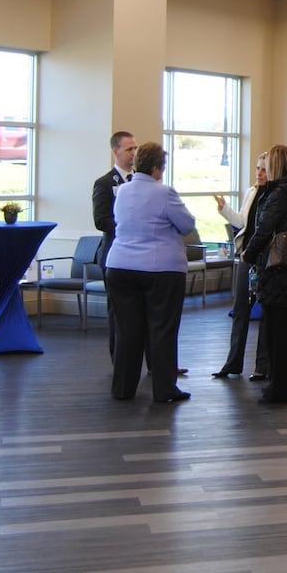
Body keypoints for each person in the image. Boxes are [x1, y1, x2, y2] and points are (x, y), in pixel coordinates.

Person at [104, 141, 196, 403]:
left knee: (127, 331)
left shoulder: (122, 191)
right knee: (162, 329)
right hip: (161, 269)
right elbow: (187, 225)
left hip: (120, 265)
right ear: (157, 168)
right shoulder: (164, 193)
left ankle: (122, 389)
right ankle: (165, 389)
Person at [239, 144, 287, 404]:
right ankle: (284, 387)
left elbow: (264, 229)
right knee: (282, 331)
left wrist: (248, 253)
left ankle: (278, 389)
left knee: (275, 334)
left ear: (275, 165)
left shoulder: (276, 195)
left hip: (272, 269)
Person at [212, 153, 271, 379]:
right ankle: (232, 363)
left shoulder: (277, 195)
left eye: (264, 169)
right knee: (240, 311)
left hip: (266, 261)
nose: (259, 173)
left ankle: (261, 366)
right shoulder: (251, 192)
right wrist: (225, 209)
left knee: (265, 314)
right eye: (257, 168)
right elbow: (242, 223)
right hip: (247, 258)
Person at [92, 131, 136, 358]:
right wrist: (127, 227)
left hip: (139, 255)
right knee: (117, 310)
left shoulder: (140, 180)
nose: (133, 153)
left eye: (135, 148)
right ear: (116, 151)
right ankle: (118, 359)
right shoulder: (105, 183)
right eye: (129, 149)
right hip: (114, 253)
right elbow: (101, 220)